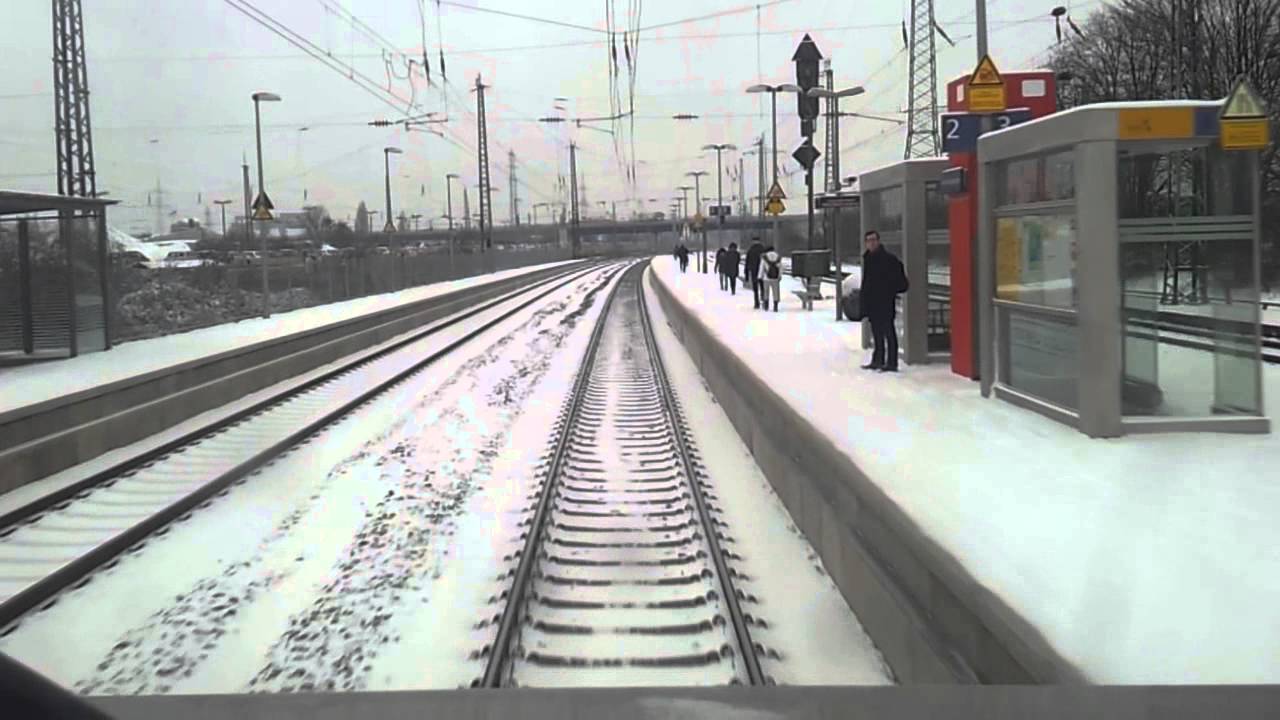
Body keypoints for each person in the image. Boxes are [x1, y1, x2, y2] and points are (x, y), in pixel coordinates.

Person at [860, 229, 908, 372]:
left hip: (885, 301)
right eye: (869, 240)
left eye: (874, 240)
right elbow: (867, 282)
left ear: (878, 241)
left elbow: (901, 282)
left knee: (888, 331)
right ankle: (878, 359)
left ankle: (891, 363)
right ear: (866, 243)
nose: (872, 243)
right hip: (873, 302)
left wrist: (889, 290)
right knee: (876, 332)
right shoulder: (868, 259)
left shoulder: (889, 260)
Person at [758, 245, 782, 312]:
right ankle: (775, 306)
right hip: (775, 278)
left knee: (766, 291)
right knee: (776, 292)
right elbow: (780, 267)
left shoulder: (764, 257)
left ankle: (766, 305)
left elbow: (761, 267)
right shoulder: (778, 256)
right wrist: (780, 276)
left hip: (766, 277)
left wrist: (760, 276)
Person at [744, 237, 765, 309]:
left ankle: (757, 303)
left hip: (754, 271)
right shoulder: (763, 249)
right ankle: (764, 299)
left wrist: (746, 273)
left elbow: (747, 262)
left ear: (752, 241)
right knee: (763, 287)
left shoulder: (750, 250)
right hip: (762, 271)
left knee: (755, 288)